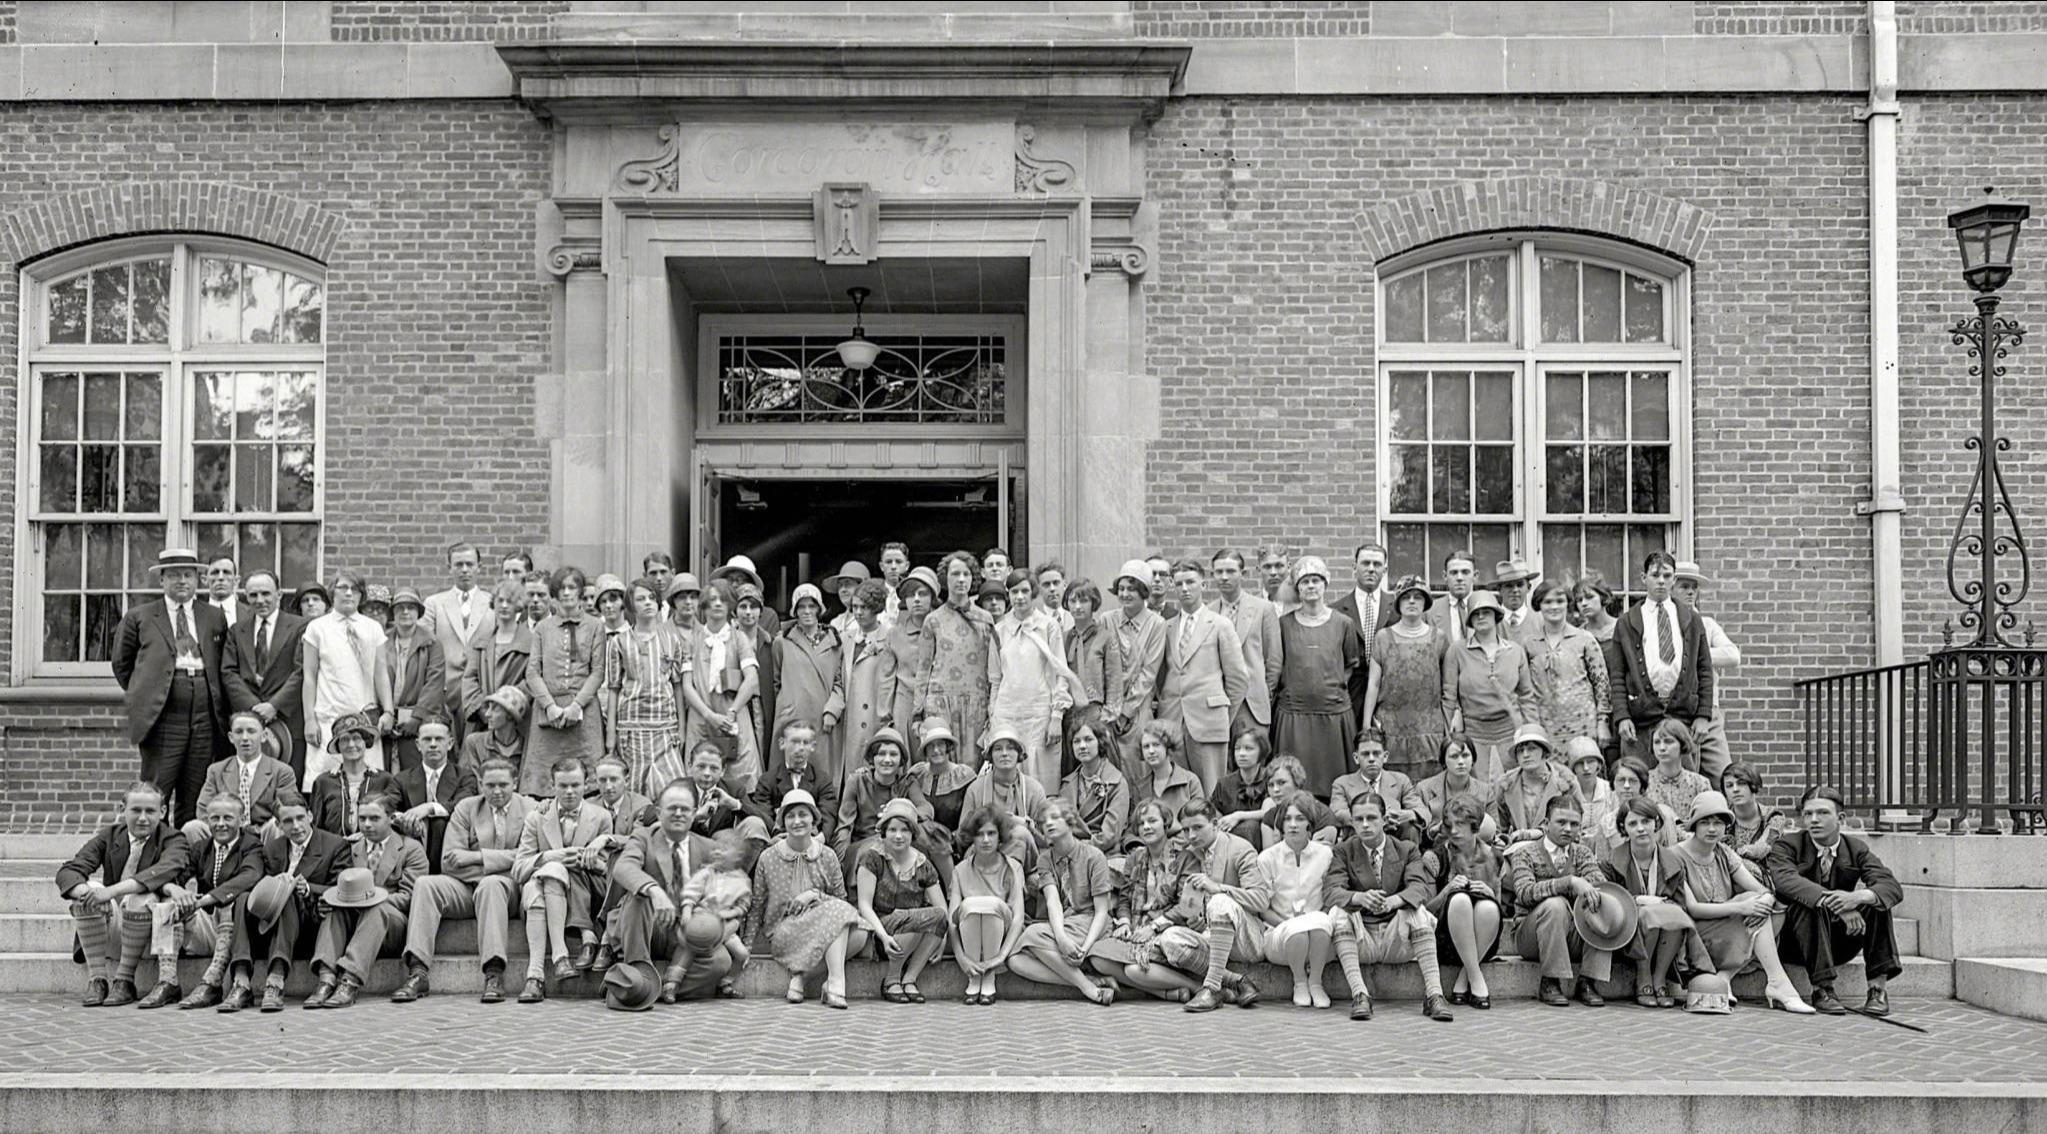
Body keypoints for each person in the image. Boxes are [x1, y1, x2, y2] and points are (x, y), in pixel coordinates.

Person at [1089, 799, 1255, 1007]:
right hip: (1135, 928)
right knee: (1098, 958)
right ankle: (1173, 993)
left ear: (1166, 823)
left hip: (1167, 928)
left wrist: (1153, 926)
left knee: (1133, 969)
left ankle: (1199, 987)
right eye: (1141, 823)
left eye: (1152, 821)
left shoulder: (1186, 857)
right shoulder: (1134, 858)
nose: (1146, 827)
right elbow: (1124, 897)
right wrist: (1123, 921)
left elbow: (1185, 905)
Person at [394, 757, 530, 1005]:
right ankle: (418, 971)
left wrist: (476, 857)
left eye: (503, 785)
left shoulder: (530, 809)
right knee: (426, 884)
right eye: (490, 785)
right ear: (480, 783)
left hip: (506, 892)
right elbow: (449, 861)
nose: (496, 791)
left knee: (491, 885)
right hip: (466, 889)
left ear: (515, 783)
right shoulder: (467, 808)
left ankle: (494, 972)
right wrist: (497, 864)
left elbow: (526, 858)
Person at [113, 548, 232, 826]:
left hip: (205, 714)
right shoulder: (140, 617)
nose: (182, 581)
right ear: (161, 581)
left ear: (197, 580)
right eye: (174, 575)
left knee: (197, 788)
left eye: (188, 575)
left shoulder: (213, 617)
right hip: (163, 715)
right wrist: (150, 692)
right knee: (158, 788)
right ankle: (154, 856)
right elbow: (122, 664)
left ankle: (187, 856)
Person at [1768, 785, 1904, 1017]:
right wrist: (1837, 905)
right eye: (1808, 814)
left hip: (1839, 942)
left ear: (1840, 818)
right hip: (1795, 942)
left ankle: (1877, 989)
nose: (1813, 820)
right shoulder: (1788, 845)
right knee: (1805, 902)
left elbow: (1890, 886)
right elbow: (1785, 881)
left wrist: (1856, 898)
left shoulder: (1855, 849)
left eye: (1822, 813)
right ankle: (1822, 990)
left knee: (1877, 904)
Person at [1678, 790, 1815, 1014]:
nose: (1712, 829)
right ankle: (1778, 984)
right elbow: (1693, 909)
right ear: (1694, 824)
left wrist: (1765, 899)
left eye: (1718, 823)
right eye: (1705, 822)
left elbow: (1760, 890)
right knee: (1754, 905)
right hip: (1695, 936)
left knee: (1770, 907)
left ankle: (1726, 977)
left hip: (1725, 929)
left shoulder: (1723, 852)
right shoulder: (1676, 855)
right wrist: (1742, 907)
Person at [1324, 792, 1456, 1021]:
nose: (1365, 825)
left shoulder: (1406, 849)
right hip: (1360, 938)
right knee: (1338, 912)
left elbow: (1419, 887)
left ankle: (1434, 995)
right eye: (1358, 819)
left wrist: (1395, 901)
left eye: (1372, 818)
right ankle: (1360, 995)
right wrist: (1359, 898)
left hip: (1396, 938)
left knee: (1418, 911)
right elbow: (1332, 890)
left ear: (1384, 819)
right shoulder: (1343, 851)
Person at [56, 782, 190, 1007]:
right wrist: (90, 893)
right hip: (110, 929)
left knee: (140, 897)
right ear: (122, 809)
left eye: (151, 811)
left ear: (163, 812)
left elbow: (164, 871)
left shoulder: (173, 839)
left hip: (155, 934)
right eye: (136, 810)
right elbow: (69, 871)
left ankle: (125, 981)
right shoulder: (110, 835)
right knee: (87, 890)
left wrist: (110, 892)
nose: (143, 818)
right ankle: (98, 979)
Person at [610, 780, 738, 1004]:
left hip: (685, 933)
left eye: (685, 809)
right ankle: (637, 972)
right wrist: (654, 891)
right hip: (649, 926)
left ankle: (645, 990)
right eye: (672, 808)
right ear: (659, 812)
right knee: (638, 898)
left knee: (721, 961)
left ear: (694, 813)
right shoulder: (643, 838)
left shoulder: (708, 848)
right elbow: (623, 868)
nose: (679, 813)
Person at [305, 792, 428, 1009]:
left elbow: (410, 897)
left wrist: (372, 900)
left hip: (392, 924)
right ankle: (326, 978)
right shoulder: (350, 847)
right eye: (362, 819)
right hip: (355, 922)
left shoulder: (410, 849)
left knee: (376, 908)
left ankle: (350, 980)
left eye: (374, 818)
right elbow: (340, 887)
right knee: (334, 908)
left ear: (391, 818)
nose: (367, 825)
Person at [744, 788, 864, 1009]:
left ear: (813, 819)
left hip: (823, 926)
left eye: (803, 814)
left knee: (860, 934)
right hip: (786, 931)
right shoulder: (768, 858)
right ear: (783, 821)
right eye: (791, 816)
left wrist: (814, 895)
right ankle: (837, 983)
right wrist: (747, 946)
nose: (797, 821)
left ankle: (802, 977)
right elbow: (757, 905)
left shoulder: (827, 855)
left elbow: (841, 902)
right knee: (840, 922)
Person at [510, 757, 614, 1000]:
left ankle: (535, 977)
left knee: (546, 881)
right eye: (563, 785)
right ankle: (558, 956)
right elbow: (518, 869)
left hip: (581, 897)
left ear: (586, 785)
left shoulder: (600, 817)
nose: (569, 792)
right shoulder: (537, 817)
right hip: (541, 890)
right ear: (552, 785)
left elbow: (609, 868)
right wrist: (549, 857)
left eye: (575, 785)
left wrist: (588, 861)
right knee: (548, 875)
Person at [148, 795, 265, 1009]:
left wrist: (204, 901)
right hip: (208, 927)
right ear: (207, 820)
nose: (220, 824)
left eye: (228, 817)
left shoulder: (252, 846)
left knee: (232, 900)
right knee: (166, 903)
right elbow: (176, 875)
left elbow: (249, 876)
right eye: (215, 818)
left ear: (242, 818)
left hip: (239, 931)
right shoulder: (201, 848)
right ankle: (167, 981)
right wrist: (174, 889)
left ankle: (212, 982)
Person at [234, 796, 349, 1011]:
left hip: (311, 923)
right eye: (288, 821)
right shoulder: (272, 848)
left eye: (300, 818)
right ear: (278, 825)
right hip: (272, 925)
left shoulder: (335, 845)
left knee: (287, 893)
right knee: (243, 899)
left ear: (310, 816)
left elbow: (342, 889)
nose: (295, 826)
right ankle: (241, 981)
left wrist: (307, 889)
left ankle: (275, 981)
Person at [1007, 798, 1118, 1004]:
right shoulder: (1045, 859)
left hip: (1092, 922)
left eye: (1055, 818)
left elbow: (1102, 911)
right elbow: (1053, 902)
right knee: (1016, 961)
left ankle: (1089, 990)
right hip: (1065, 924)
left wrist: (1085, 947)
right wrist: (1061, 939)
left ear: (1070, 822)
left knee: (1032, 934)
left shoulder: (1094, 856)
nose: (1048, 824)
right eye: (1043, 821)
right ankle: (1088, 981)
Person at [1611, 551, 1716, 766]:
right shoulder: (1627, 621)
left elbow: (1704, 669)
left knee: (1683, 781)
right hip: (1640, 719)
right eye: (1655, 575)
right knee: (1637, 780)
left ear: (1674, 580)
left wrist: (1703, 715)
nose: (1661, 581)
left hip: (1681, 716)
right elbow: (1618, 675)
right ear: (1643, 578)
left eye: (1667, 576)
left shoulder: (1691, 619)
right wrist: (1622, 716)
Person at [1507, 795, 1613, 1007]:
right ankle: (1550, 981)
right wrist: (1569, 882)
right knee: (1555, 905)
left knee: (1603, 904)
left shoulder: (1581, 853)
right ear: (1545, 824)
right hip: (1532, 937)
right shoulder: (1525, 853)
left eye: (1574, 824)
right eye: (1561, 822)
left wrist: (1587, 886)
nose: (1568, 829)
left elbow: (1598, 884)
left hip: (1572, 935)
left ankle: (1588, 980)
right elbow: (1524, 893)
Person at [1170, 798, 1272, 1013]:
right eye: (1186, 830)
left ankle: (1212, 987)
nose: (1191, 836)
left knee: (1220, 902)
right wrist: (1195, 921)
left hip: (1246, 939)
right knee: (1169, 939)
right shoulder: (1188, 853)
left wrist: (1218, 887)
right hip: (1211, 937)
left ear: (1215, 823)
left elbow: (1261, 900)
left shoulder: (1240, 848)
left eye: (1198, 827)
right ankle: (1237, 981)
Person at [1158, 558, 1250, 792]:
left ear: (1204, 585)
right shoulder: (1166, 627)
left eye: (1190, 582)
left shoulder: (1220, 625)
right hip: (1173, 720)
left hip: (1208, 720)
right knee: (1176, 788)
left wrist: (1220, 713)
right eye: (1179, 584)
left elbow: (1238, 679)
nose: (1185, 589)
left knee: (1211, 790)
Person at [1274, 556, 1363, 795]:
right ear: (1297, 588)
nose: (1311, 586)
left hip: (1332, 715)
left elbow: (1350, 664)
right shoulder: (1283, 624)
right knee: (1293, 783)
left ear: (1325, 584)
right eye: (1304, 582)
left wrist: (1328, 687)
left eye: (1316, 580)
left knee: (1334, 783)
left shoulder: (1343, 623)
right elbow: (1277, 664)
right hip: (1295, 715)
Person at [1603, 795, 1698, 1009]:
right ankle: (1643, 978)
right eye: (1632, 823)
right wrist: (1639, 900)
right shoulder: (1612, 860)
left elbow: (1681, 904)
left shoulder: (1674, 861)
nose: (1640, 828)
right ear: (1623, 828)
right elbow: (1609, 901)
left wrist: (1660, 905)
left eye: (1646, 821)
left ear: (1657, 823)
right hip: (1627, 930)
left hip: (1666, 934)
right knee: (1651, 916)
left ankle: (1659, 978)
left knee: (1674, 917)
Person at [852, 797, 951, 1003]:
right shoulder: (872, 858)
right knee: (916, 919)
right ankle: (891, 979)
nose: (898, 836)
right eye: (892, 830)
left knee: (936, 916)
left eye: (904, 830)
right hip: (882, 928)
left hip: (913, 926)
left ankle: (909, 979)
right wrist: (883, 935)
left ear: (913, 834)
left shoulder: (922, 864)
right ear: (884, 833)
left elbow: (941, 907)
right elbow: (864, 905)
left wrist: (941, 940)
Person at [300, 571, 391, 788]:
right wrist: (309, 719)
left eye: (355, 589)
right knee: (325, 781)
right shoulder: (317, 628)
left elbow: (381, 673)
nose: (349, 593)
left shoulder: (373, 628)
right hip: (328, 716)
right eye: (343, 588)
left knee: (367, 783)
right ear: (333, 592)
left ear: (361, 595)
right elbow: (309, 676)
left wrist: (388, 711)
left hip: (364, 717)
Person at [988, 569, 1075, 787]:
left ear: (1033, 593)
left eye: (1025, 591)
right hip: (1007, 712)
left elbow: (1060, 673)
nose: (1019, 597)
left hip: (1039, 713)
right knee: (1008, 774)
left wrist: (1056, 716)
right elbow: (996, 679)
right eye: (1014, 592)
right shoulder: (999, 630)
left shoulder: (1048, 626)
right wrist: (993, 717)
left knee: (1041, 776)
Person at [1360, 574, 1450, 783]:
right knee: (1393, 784)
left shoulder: (1439, 638)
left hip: (1428, 727)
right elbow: (1373, 683)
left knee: (1429, 785)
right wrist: (1367, 723)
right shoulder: (1383, 637)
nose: (1411, 601)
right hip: (1391, 725)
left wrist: (1452, 718)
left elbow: (1448, 684)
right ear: (1398, 603)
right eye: (1406, 597)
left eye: (1417, 597)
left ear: (1425, 603)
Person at [221, 568, 309, 782]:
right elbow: (229, 672)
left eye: (266, 593)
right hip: (249, 721)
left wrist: (274, 705)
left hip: (287, 719)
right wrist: (254, 709)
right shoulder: (237, 630)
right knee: (250, 781)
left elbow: (302, 670)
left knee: (288, 783)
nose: (260, 600)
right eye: (253, 595)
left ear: (278, 594)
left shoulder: (299, 626)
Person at [523, 567, 604, 795]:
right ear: (554, 594)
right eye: (562, 588)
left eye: (572, 587)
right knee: (543, 784)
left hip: (583, 712)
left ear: (580, 591)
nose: (567, 593)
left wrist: (576, 705)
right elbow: (532, 672)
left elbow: (597, 671)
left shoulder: (595, 626)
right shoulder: (543, 628)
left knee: (588, 783)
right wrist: (549, 706)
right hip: (548, 713)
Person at [604, 576, 687, 796]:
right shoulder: (619, 642)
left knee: (674, 784)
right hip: (632, 726)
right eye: (641, 599)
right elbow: (613, 688)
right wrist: (611, 734)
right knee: (635, 786)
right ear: (631, 605)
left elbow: (677, 685)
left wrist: (681, 727)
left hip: (664, 725)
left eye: (652, 598)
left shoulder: (672, 640)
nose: (648, 603)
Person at [1443, 591, 1538, 780]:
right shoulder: (1457, 651)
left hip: (1510, 731)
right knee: (1476, 790)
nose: (1480, 616)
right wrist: (1455, 714)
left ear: (1496, 615)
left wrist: (1532, 733)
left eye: (1486, 612)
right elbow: (1449, 694)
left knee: (1511, 786)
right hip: (1473, 733)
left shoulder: (1515, 651)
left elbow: (1527, 697)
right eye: (1475, 613)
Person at [914, 551, 998, 765]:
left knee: (973, 765)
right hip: (941, 702)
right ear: (945, 578)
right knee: (942, 763)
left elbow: (994, 669)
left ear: (973, 579)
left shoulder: (985, 619)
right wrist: (918, 713)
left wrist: (994, 707)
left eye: (966, 574)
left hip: (976, 701)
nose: (961, 580)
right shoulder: (933, 620)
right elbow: (923, 669)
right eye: (955, 574)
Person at [1255, 791, 1336, 1008]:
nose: (1293, 825)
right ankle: (1299, 981)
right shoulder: (1267, 858)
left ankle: (1316, 982)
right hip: (1280, 937)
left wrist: (1314, 922)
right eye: (1288, 819)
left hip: (1320, 938)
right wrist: (1291, 926)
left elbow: (1330, 899)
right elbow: (1264, 909)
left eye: (1300, 818)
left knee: (1320, 923)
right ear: (1280, 823)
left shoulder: (1325, 855)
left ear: (1310, 823)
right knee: (1297, 931)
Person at [1422, 796, 1503, 1008]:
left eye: (1461, 824)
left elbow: (1501, 909)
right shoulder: (1435, 857)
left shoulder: (1494, 856)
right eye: (1450, 825)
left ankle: (1465, 977)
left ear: (1475, 825)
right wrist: (1447, 890)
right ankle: (1476, 981)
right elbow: (1425, 911)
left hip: (1483, 942)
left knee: (1487, 906)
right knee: (1459, 900)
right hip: (1446, 939)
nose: (1454, 831)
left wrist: (1489, 892)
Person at [684, 580, 764, 791]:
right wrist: (709, 715)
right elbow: (687, 685)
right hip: (702, 717)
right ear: (704, 606)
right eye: (711, 600)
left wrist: (731, 713)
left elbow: (752, 679)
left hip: (733, 717)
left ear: (730, 605)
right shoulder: (692, 639)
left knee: (741, 777)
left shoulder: (739, 639)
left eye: (722, 600)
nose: (717, 604)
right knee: (699, 774)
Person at [949, 806, 1029, 1005]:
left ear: (1000, 836)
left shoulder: (1013, 867)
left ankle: (989, 975)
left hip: (1002, 932)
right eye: (979, 834)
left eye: (991, 833)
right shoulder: (959, 870)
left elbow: (1018, 917)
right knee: (970, 906)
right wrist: (961, 958)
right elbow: (953, 919)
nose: (985, 840)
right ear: (972, 838)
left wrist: (1001, 956)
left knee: (991, 904)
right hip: (969, 935)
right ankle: (974, 976)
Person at [188, 710, 300, 845]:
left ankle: (273, 864)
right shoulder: (217, 770)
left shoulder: (281, 771)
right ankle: (206, 864)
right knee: (193, 828)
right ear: (231, 737)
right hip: (225, 833)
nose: (245, 738)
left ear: (264, 736)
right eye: (239, 732)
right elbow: (204, 809)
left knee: (277, 826)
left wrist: (256, 830)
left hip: (263, 835)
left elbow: (287, 810)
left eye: (251, 731)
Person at [835, 726, 933, 878]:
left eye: (893, 754)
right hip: (864, 844)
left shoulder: (907, 783)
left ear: (901, 760)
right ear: (872, 758)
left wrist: (900, 812)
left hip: (898, 841)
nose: (887, 760)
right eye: (881, 754)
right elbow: (844, 827)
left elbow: (926, 808)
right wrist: (839, 863)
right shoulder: (857, 782)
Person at [422, 543, 495, 746]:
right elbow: (424, 649)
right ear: (449, 567)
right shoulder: (434, 604)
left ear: (479, 567)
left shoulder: (493, 603)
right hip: (444, 690)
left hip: (479, 691)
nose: (464, 569)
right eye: (459, 564)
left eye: (469, 564)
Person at [773, 583, 846, 788]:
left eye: (811, 606)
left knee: (822, 774)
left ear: (819, 609)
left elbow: (841, 681)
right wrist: (788, 705)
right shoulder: (782, 642)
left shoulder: (835, 643)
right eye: (801, 607)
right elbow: (777, 681)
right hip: (793, 718)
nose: (806, 611)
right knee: (791, 773)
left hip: (824, 719)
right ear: (794, 611)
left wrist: (833, 710)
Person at [1673, 562, 1740, 781]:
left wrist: (1696, 654)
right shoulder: (1663, 626)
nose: (1691, 591)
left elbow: (1732, 655)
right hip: (1676, 712)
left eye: (1694, 586)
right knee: (1683, 778)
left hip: (1709, 711)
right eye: (1684, 586)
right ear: (1671, 588)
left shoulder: (1707, 624)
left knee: (1723, 776)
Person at [1525, 580, 1611, 751]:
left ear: (1568, 604)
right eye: (1548, 602)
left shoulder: (1584, 639)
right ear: (1538, 605)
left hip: (1583, 724)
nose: (1554, 607)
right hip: (1545, 725)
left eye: (1559, 601)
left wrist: (1603, 723)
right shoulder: (1530, 643)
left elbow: (1601, 685)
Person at [1101, 559, 1167, 778]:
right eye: (1121, 589)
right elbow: (1103, 667)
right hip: (1109, 709)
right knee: (1109, 766)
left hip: (1139, 709)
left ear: (1143, 592)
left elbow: (1149, 673)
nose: (1125, 594)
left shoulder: (1156, 624)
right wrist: (1112, 710)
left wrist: (1126, 712)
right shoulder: (1106, 620)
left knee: (1138, 768)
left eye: (1132, 589)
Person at [670, 829, 753, 997]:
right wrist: (687, 910)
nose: (716, 852)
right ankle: (672, 981)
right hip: (702, 918)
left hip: (725, 926)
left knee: (742, 954)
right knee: (693, 943)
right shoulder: (706, 873)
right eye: (714, 848)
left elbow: (743, 906)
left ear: (737, 856)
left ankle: (726, 983)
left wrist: (730, 914)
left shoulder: (742, 880)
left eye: (723, 849)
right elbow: (691, 893)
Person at [1210, 550, 1282, 741]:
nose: (1224, 577)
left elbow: (1273, 659)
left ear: (1243, 573)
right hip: (1217, 703)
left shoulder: (1263, 609)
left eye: (1231, 571)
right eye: (1219, 572)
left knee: (1252, 761)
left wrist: (1264, 693)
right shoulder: (1208, 612)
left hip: (1251, 704)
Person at [392, 717, 475, 873]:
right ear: (418, 745)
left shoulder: (465, 777)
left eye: (439, 739)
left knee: (439, 822)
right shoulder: (402, 779)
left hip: (450, 850)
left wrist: (429, 807)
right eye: (427, 739)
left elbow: (463, 804)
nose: (433, 744)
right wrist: (406, 819)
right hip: (411, 852)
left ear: (450, 743)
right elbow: (388, 808)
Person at [1329, 542, 1395, 732]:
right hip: (1350, 691)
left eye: (1377, 564)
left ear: (1385, 569)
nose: (1371, 569)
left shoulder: (1397, 607)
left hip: (1386, 691)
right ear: (1354, 567)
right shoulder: (1336, 610)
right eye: (1365, 563)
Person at [1060, 577, 1122, 779]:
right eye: (1073, 601)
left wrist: (1110, 711)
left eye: (1084, 601)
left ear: (1093, 603)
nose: (1078, 607)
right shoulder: (1063, 637)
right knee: (1071, 766)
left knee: (1100, 766)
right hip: (1069, 714)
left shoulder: (1105, 636)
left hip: (1096, 713)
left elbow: (1114, 676)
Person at [380, 587, 446, 774]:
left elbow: (434, 684)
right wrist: (384, 714)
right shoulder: (382, 642)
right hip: (388, 721)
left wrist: (417, 717)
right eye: (400, 608)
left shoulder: (432, 643)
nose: (405, 612)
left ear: (419, 612)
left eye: (411, 607)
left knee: (415, 773)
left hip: (419, 721)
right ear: (393, 612)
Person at [837, 579, 898, 783]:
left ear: (876, 609)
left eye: (864, 607)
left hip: (874, 713)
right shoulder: (845, 638)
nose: (859, 612)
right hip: (849, 714)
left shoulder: (888, 636)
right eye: (855, 607)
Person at [960, 726, 1049, 863]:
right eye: (998, 749)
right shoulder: (976, 789)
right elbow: (963, 836)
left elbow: (1047, 839)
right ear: (990, 755)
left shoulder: (1034, 789)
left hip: (1025, 859)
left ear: (1019, 754)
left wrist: (1027, 825)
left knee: (1020, 833)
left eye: (1011, 748)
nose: (1004, 753)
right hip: (982, 855)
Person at [308, 713, 402, 837]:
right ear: (338, 746)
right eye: (345, 739)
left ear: (365, 742)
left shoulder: (384, 780)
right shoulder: (323, 782)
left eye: (356, 738)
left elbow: (393, 823)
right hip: (334, 852)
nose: (351, 745)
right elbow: (316, 828)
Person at [1490, 723, 1582, 847]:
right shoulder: (1505, 785)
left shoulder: (1566, 782)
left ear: (1544, 752)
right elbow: (1500, 828)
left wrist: (1536, 833)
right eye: (1520, 751)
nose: (1526, 754)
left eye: (1531, 748)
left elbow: (1577, 826)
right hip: (1517, 851)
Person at [463, 580, 535, 734]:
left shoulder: (531, 642)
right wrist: (483, 710)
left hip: (515, 721)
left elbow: (532, 680)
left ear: (518, 605)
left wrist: (505, 708)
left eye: (510, 601)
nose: (503, 605)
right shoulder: (481, 641)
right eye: (500, 600)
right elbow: (470, 678)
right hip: (483, 721)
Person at [1056, 718, 1131, 858]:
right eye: (1076, 741)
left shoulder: (1117, 782)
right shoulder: (1068, 784)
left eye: (1088, 739)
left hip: (1104, 854)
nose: (1082, 746)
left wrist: (1077, 849)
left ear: (1100, 742)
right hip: (1070, 854)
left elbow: (1110, 835)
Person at [757, 721, 840, 845]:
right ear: (782, 743)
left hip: (813, 841)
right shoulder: (768, 780)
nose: (800, 748)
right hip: (778, 842)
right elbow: (764, 815)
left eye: (805, 743)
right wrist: (775, 839)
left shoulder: (822, 780)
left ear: (813, 746)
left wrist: (822, 838)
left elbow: (828, 814)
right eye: (795, 741)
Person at [1330, 731, 1422, 842]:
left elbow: (1421, 810)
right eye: (1365, 754)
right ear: (1356, 758)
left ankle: (1410, 858)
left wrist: (1408, 814)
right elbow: (1337, 813)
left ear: (1385, 756)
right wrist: (1375, 817)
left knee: (1410, 828)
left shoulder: (1400, 780)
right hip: (1359, 838)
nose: (1371, 759)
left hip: (1394, 837)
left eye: (1376, 753)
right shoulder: (1342, 783)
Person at [886, 567, 940, 745]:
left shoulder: (944, 630)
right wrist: (884, 718)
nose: (916, 600)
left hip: (937, 706)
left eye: (922, 594)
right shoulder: (895, 634)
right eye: (911, 595)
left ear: (932, 597)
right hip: (904, 707)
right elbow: (886, 680)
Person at [1411, 734, 1495, 839]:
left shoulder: (1485, 791)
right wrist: (1434, 831)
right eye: (1454, 756)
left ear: (1473, 758)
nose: (1461, 762)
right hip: (1436, 849)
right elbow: (1416, 835)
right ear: (1444, 760)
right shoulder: (1424, 789)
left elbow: (1496, 833)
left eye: (1465, 755)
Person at [1722, 763, 1788, 883]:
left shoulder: (1774, 817)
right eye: (1729, 785)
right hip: (1727, 878)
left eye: (1741, 783)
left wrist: (1732, 853)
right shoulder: (1722, 818)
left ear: (1753, 785)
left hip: (1766, 878)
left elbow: (1760, 850)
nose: (1735, 789)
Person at [1129, 719, 1204, 820]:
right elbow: (1134, 826)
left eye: (1156, 745)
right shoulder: (1140, 787)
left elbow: (1199, 822)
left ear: (1168, 747)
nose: (1151, 751)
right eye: (1146, 746)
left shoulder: (1190, 781)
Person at [1209, 729, 1270, 845]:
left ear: (1262, 752)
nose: (1241, 753)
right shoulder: (1224, 783)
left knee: (1250, 827)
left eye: (1249, 748)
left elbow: (1273, 811)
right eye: (1237, 749)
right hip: (1230, 839)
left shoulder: (1271, 779)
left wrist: (1238, 816)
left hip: (1265, 839)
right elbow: (1215, 814)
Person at [461, 686, 529, 787]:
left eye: (495, 710)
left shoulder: (526, 747)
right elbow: (471, 781)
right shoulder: (474, 741)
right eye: (488, 707)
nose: (487, 714)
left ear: (510, 715)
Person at [1644, 717, 1711, 816]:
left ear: (1682, 744)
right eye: (1657, 742)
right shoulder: (1644, 782)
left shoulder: (1700, 784)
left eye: (1668, 741)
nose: (1662, 748)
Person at [1567, 736, 1616, 851]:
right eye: (1579, 763)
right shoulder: (1567, 793)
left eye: (1590, 761)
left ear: (1599, 764)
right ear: (1573, 768)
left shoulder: (1610, 790)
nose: (1586, 768)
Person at [1425, 550, 1480, 647]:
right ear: (1445, 576)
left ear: (1475, 575)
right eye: (1454, 573)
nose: (1459, 578)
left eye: (1465, 572)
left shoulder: (1487, 608)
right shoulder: (1430, 611)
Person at [1490, 558, 1541, 645]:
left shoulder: (1540, 621)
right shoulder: (1491, 621)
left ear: (1528, 587)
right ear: (1499, 589)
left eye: (1520, 585)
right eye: (1509, 586)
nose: (1515, 590)